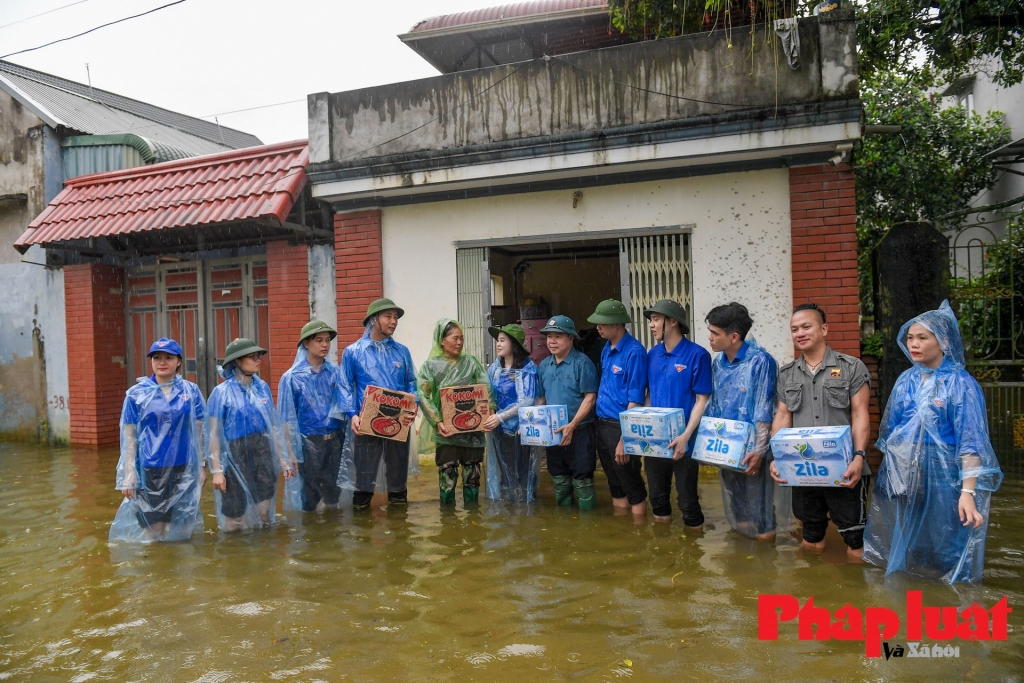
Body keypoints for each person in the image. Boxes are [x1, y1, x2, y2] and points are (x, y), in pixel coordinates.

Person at [863, 301, 1003, 583]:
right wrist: (894, 481)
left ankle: (952, 609)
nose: (913, 344)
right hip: (908, 472)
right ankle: (915, 608)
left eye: (922, 337)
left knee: (948, 542)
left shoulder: (961, 384)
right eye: (910, 338)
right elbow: (892, 434)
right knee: (912, 544)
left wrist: (967, 492)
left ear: (944, 342)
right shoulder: (906, 380)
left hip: (946, 476)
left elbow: (971, 441)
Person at [770, 303, 871, 559]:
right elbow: (783, 416)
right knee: (811, 532)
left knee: (854, 535)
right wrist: (776, 457)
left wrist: (859, 456)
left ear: (824, 329)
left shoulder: (851, 367)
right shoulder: (787, 374)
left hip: (844, 467)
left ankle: (854, 591)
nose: (800, 333)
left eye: (806, 326)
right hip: (802, 468)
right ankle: (814, 590)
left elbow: (860, 414)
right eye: (794, 329)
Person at [110, 338, 206, 543]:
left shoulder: (191, 391)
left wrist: (201, 466)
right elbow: (129, 436)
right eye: (157, 357)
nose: (162, 362)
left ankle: (178, 573)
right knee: (154, 529)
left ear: (178, 361)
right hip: (150, 469)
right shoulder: (136, 394)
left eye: (168, 358)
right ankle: (155, 570)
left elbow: (198, 431)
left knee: (182, 524)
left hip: (183, 468)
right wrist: (129, 473)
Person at [705, 302, 781, 540]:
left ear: (734, 336)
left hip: (753, 450)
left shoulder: (761, 361)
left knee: (762, 513)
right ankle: (743, 566)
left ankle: (765, 564)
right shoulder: (719, 363)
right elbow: (716, 405)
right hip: (728, 447)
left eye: (715, 333)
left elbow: (764, 408)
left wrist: (759, 450)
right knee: (738, 510)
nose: (710, 338)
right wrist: (707, 447)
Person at [337, 298, 418, 510]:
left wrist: (413, 405)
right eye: (388, 316)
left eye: (395, 317)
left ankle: (400, 530)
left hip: (398, 422)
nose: (393, 321)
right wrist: (352, 415)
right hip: (365, 424)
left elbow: (411, 383)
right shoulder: (353, 352)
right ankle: (361, 526)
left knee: (397, 477)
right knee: (364, 477)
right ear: (373, 320)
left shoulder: (402, 351)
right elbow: (344, 386)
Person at [207, 338, 294, 531]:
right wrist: (217, 471)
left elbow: (273, 426)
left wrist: (282, 459)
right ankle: (235, 554)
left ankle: (262, 554)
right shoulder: (220, 393)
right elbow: (213, 434)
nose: (258, 360)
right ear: (237, 360)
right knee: (234, 518)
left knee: (263, 511)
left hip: (263, 450)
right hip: (234, 455)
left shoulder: (261, 387)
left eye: (259, 356)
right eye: (252, 356)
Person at [644, 300, 712, 527]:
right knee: (657, 500)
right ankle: (664, 554)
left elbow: (701, 400)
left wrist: (685, 436)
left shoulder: (697, 355)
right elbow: (650, 396)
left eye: (656, 319)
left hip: (686, 442)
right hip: (655, 442)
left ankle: (693, 556)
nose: (651, 325)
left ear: (673, 322)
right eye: (651, 320)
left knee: (688, 503)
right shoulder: (652, 354)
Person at [417, 318, 495, 504]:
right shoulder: (430, 366)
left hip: (473, 432)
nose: (459, 342)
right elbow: (423, 395)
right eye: (454, 338)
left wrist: (489, 412)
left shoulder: (471, 363)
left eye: (461, 338)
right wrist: (437, 421)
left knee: (473, 476)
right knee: (447, 477)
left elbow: (486, 389)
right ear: (442, 340)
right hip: (447, 433)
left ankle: (472, 518)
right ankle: (448, 519)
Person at [587, 299, 649, 516]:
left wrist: (625, 438)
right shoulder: (606, 348)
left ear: (618, 324)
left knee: (630, 478)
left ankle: (640, 531)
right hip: (602, 422)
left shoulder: (634, 352)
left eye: (602, 323)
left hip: (620, 425)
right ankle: (623, 529)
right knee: (613, 479)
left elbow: (636, 398)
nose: (598, 327)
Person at [278, 320, 346, 513]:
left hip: (335, 441)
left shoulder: (336, 373)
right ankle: (312, 536)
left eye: (327, 340)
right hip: (307, 444)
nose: (325, 345)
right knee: (309, 496)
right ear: (306, 344)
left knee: (334, 493)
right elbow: (286, 418)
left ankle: (332, 535)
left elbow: (345, 406)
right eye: (319, 340)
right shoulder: (290, 378)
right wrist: (290, 452)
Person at [535, 315, 599, 509]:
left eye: (558, 337)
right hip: (554, 432)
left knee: (583, 478)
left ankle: (587, 525)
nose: (552, 341)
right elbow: (541, 399)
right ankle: (565, 525)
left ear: (571, 339)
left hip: (580, 431)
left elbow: (590, 397)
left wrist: (572, 425)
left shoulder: (583, 362)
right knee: (558, 477)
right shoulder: (544, 365)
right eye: (549, 337)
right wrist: (532, 424)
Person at [482, 324, 541, 502]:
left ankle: (524, 511)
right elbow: (488, 394)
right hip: (499, 430)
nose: (498, 345)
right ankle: (508, 514)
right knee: (504, 474)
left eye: (502, 341)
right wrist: (492, 417)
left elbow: (527, 400)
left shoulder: (527, 368)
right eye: (497, 341)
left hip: (520, 430)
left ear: (513, 343)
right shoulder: (495, 368)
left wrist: (501, 416)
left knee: (522, 474)